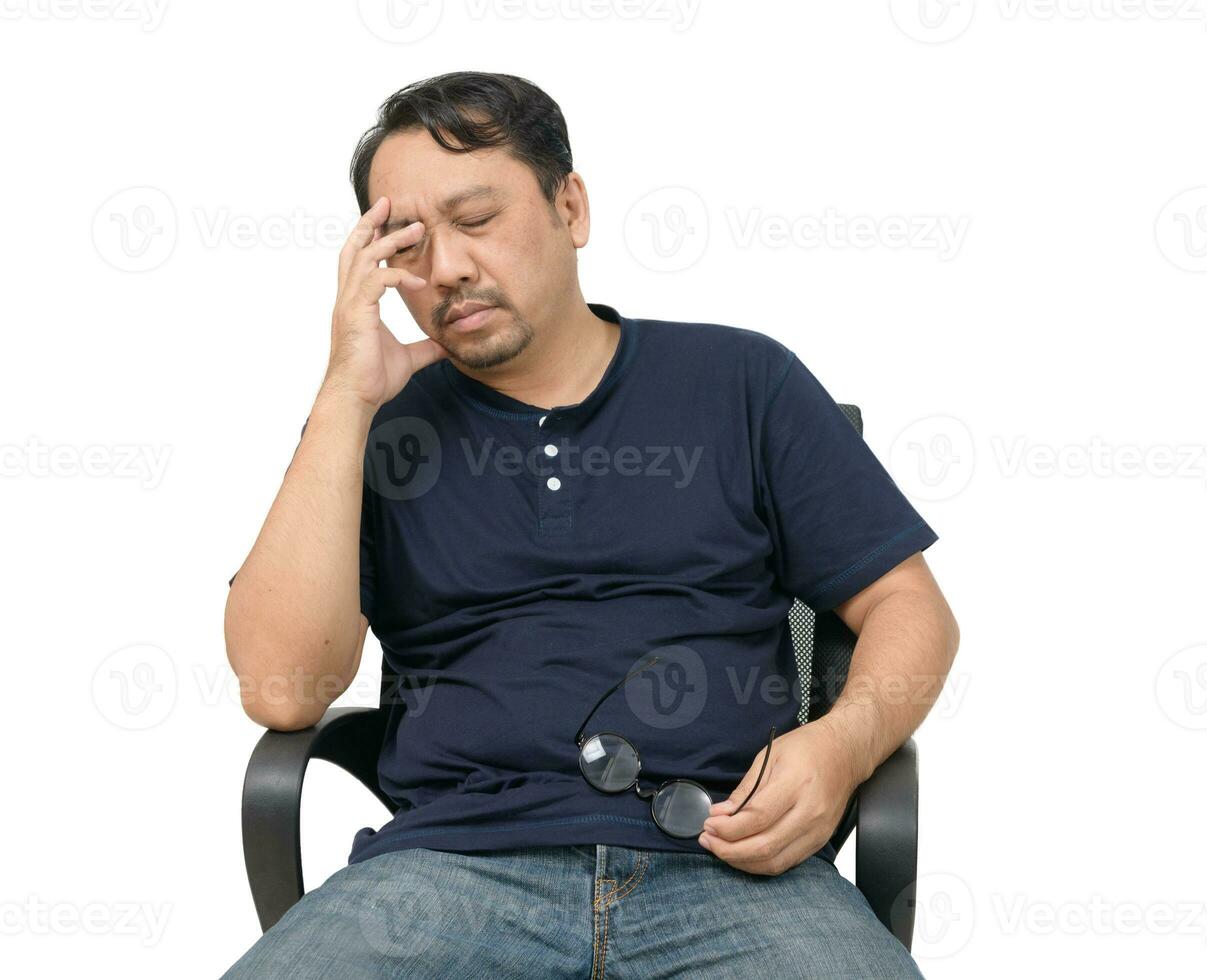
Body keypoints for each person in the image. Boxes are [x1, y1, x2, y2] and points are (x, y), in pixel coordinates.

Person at [221, 71, 959, 978]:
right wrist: (345, 394)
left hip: (730, 858)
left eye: (477, 220)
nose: (447, 267)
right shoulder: (376, 427)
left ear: (569, 206)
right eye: (409, 244)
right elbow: (281, 692)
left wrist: (841, 748)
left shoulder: (740, 381)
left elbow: (909, 607)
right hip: (447, 868)